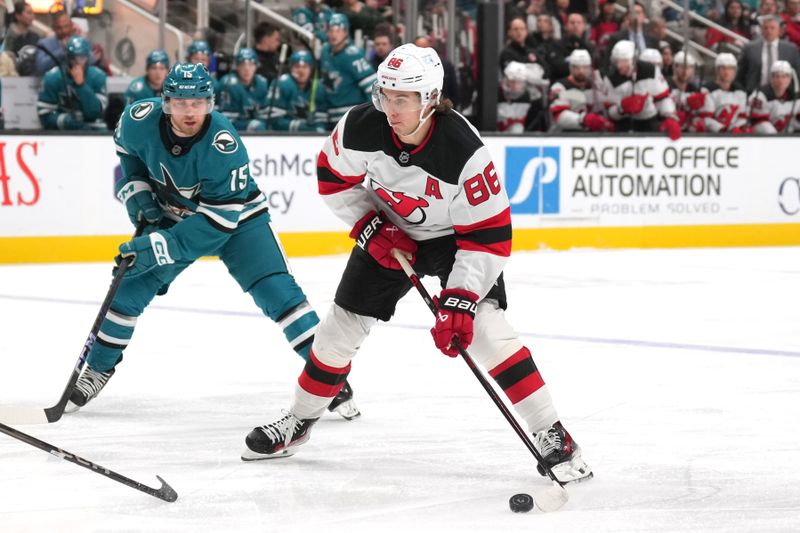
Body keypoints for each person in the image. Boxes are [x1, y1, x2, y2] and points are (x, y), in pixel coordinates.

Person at [241, 44, 594, 487]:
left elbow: (488, 237)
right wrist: (369, 224)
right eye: (385, 95)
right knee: (337, 332)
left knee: (486, 330)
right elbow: (333, 178)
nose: (389, 108)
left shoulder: (463, 151)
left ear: (430, 98)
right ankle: (299, 420)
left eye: (401, 99)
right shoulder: (360, 125)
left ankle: (552, 433)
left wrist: (461, 303)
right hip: (391, 234)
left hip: (455, 243)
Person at [65, 62, 360, 420]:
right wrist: (139, 197)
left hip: (238, 222)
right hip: (175, 213)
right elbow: (128, 157)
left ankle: (329, 379)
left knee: (280, 297)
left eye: (199, 103)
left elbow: (218, 223)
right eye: (181, 103)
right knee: (127, 289)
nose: (190, 113)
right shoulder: (136, 120)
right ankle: (97, 368)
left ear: (211, 103)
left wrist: (157, 247)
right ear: (165, 102)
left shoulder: (223, 145)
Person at [602, 40, 681, 139]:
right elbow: (608, 112)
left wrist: (670, 116)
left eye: (625, 61)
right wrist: (621, 108)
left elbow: (663, 98)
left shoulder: (650, 71)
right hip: (622, 125)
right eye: (617, 61)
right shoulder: (610, 79)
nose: (620, 65)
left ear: (633, 59)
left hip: (649, 121)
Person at [37, 36, 107, 130]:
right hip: (61, 134)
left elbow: (95, 113)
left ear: (87, 57)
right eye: (73, 58)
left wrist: (81, 85)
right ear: (67, 57)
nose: (77, 63)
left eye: (82, 58)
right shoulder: (52, 77)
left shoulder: (98, 76)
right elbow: (44, 115)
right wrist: (66, 121)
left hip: (94, 130)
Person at [319, 13, 376, 127]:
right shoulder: (325, 51)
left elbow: (372, 87)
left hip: (351, 117)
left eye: (338, 30)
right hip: (330, 117)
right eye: (331, 30)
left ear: (345, 32)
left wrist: (370, 116)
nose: (333, 34)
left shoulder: (353, 54)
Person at [550, 49, 614, 132]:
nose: (581, 71)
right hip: (567, 135)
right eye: (577, 67)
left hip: (593, 135)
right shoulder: (560, 87)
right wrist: (583, 120)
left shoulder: (596, 85)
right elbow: (559, 116)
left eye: (585, 67)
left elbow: (607, 105)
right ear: (570, 68)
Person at [737, 14, 800, 93]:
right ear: (761, 30)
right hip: (754, 93)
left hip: (784, 94)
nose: (769, 31)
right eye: (765, 28)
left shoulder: (791, 49)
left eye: (772, 28)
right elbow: (741, 73)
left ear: (779, 30)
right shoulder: (749, 48)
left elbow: (797, 74)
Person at [270, 50, 327, 132]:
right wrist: (300, 126)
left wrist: (319, 129)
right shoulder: (282, 83)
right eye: (297, 66)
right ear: (291, 68)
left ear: (311, 69)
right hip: (284, 137)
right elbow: (275, 120)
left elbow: (321, 118)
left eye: (305, 67)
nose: (301, 71)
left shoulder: (318, 87)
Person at [217, 47, 270, 132]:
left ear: (256, 66)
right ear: (237, 66)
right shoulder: (229, 83)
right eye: (242, 64)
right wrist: (252, 125)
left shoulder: (261, 83)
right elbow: (226, 121)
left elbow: (264, 114)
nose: (247, 69)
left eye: (251, 64)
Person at [748, 59, 800, 133]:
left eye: (784, 76)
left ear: (790, 79)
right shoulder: (759, 96)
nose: (780, 80)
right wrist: (774, 137)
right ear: (771, 78)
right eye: (777, 76)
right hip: (765, 139)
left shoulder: (795, 96)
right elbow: (757, 122)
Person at [701, 52, 749, 132]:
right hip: (714, 135)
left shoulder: (741, 91)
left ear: (735, 71)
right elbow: (707, 118)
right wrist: (722, 129)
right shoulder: (707, 90)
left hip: (735, 134)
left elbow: (742, 116)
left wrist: (736, 128)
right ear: (717, 70)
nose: (727, 72)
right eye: (723, 68)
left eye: (730, 68)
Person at [668, 51, 710, 132]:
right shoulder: (666, 85)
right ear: (675, 67)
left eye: (689, 67)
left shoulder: (695, 89)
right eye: (682, 67)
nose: (685, 71)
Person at [34, 10, 74, 76]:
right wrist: (61, 50)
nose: (63, 31)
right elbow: (40, 67)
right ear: (54, 28)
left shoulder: (79, 42)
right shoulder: (44, 44)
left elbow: (89, 62)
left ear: (71, 26)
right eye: (59, 28)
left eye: (66, 26)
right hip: (51, 82)